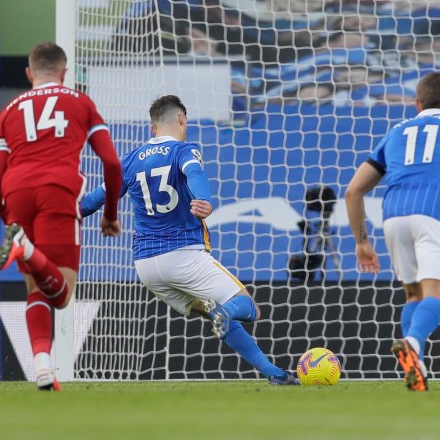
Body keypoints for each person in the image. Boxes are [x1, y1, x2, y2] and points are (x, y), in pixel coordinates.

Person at [79, 95, 299, 385]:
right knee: (245, 306)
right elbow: (194, 173)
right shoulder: (184, 150)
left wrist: (62, 215)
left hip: (146, 267)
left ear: (151, 129)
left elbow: (94, 200)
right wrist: (204, 200)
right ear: (182, 119)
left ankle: (275, 375)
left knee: (215, 314)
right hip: (183, 256)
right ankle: (233, 323)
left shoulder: (130, 161)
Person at [0, 42, 123, 391]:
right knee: (62, 296)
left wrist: (10, 221)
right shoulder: (80, 102)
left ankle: (43, 367)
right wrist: (109, 215)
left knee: (37, 289)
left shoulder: (10, 109)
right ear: (65, 73)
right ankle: (26, 248)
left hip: (15, 192)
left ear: (29, 74)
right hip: (57, 190)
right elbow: (111, 162)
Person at [345, 71, 440, 391]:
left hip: (393, 217)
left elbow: (353, 191)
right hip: (433, 215)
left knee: (413, 294)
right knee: (437, 296)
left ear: (416, 104)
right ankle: (412, 341)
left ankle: (416, 364)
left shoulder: (395, 132)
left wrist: (361, 241)